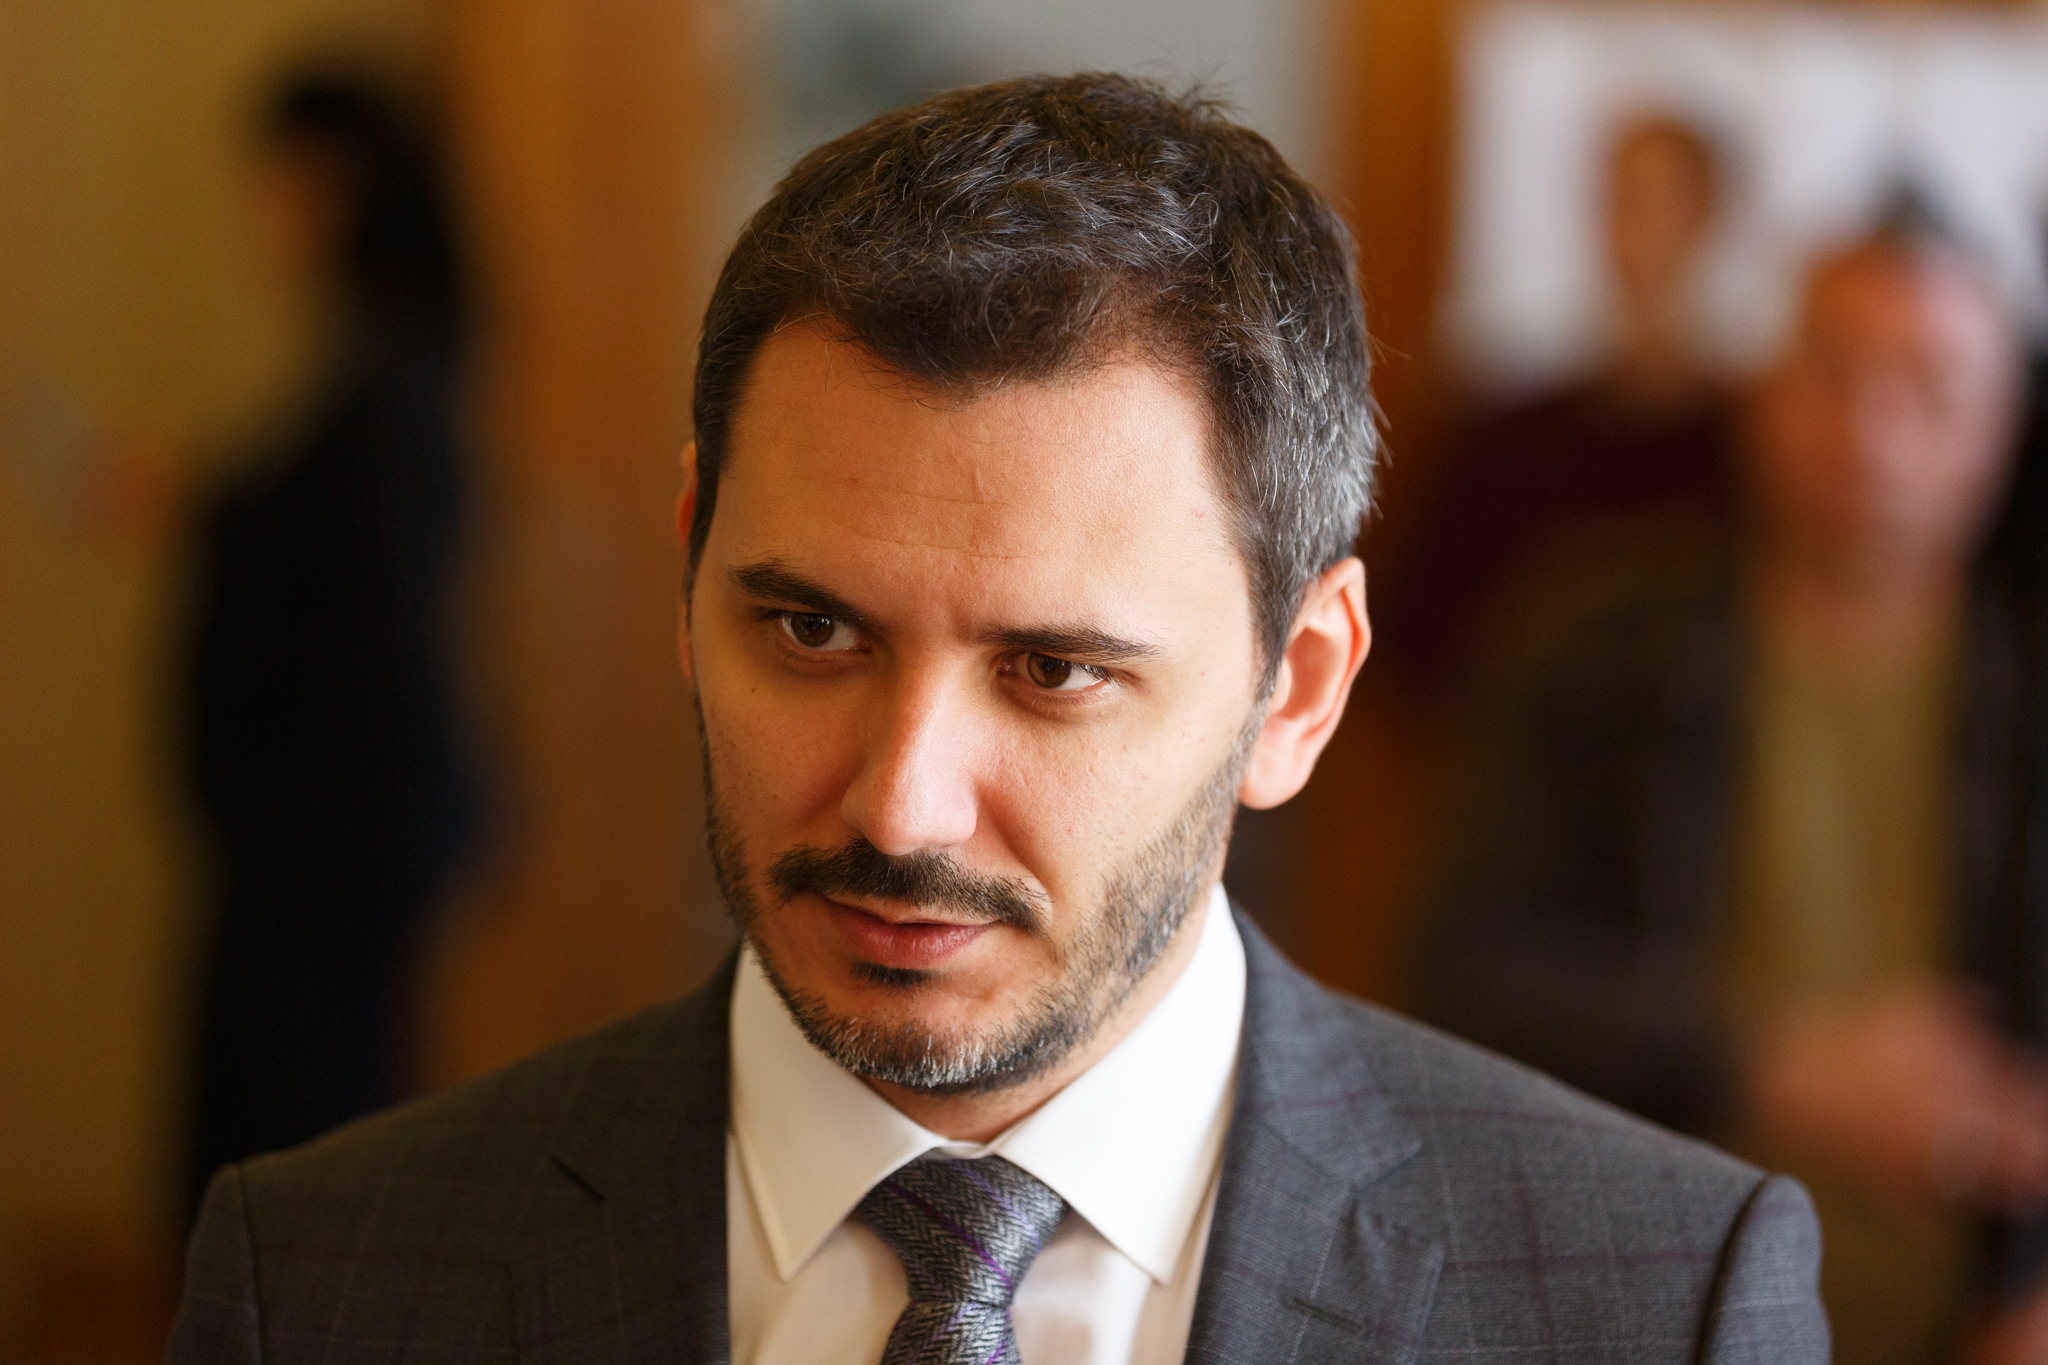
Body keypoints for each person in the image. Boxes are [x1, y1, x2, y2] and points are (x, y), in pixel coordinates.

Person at [169, 74, 1824, 1363]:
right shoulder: (320, 1283)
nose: (901, 807)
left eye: (1053, 671)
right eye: (809, 629)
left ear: (1299, 686)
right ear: (687, 573)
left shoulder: (1651, 1302)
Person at [1419, 204, 2048, 1362]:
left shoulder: (2024, 695)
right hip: (1628, 1302)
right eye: (1833, 370)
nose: (1871, 433)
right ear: (1759, 389)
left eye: (1928, 389)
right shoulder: (1594, 644)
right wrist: (1777, 1068)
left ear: (2000, 427)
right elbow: (1462, 975)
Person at [180, 66, 477, 1218]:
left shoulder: (393, 380)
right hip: (311, 840)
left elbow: (375, 629)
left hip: (324, 850)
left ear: (336, 186)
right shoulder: (379, 361)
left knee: (293, 1156)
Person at [1375, 112, 1738, 688]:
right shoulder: (1502, 447)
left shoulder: (1758, 450)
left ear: (1710, 220)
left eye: (1666, 202)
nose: (1643, 232)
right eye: (1623, 201)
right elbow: (1413, 645)